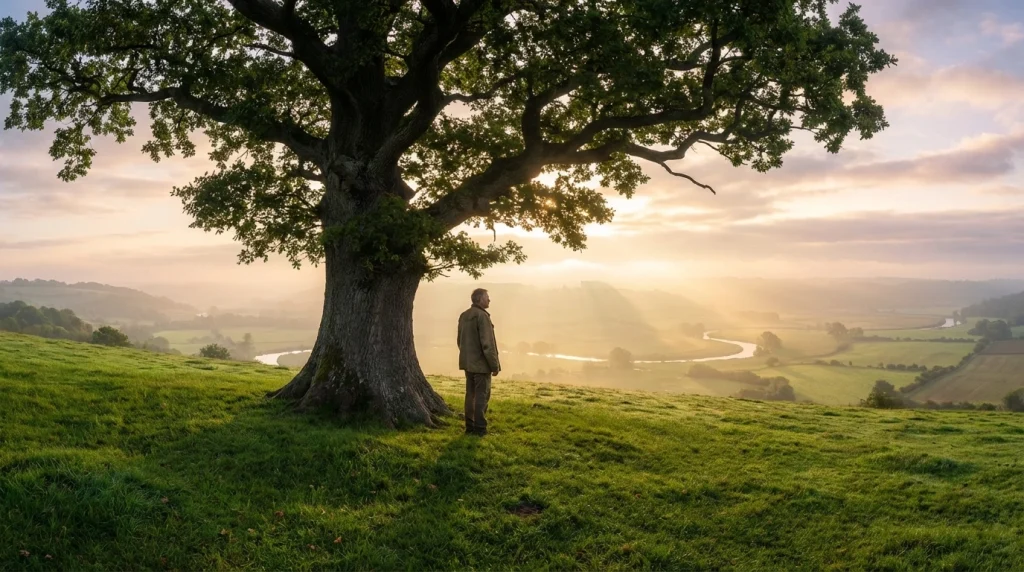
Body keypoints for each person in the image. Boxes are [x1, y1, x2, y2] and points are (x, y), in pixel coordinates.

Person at [457, 288, 500, 436]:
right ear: (479, 299)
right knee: (482, 396)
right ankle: (480, 429)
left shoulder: (464, 315)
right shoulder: (482, 316)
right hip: (481, 366)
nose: (489, 300)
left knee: (470, 396)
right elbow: (488, 344)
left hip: (468, 364)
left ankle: (470, 427)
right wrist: (495, 366)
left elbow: (459, 341)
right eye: (487, 297)